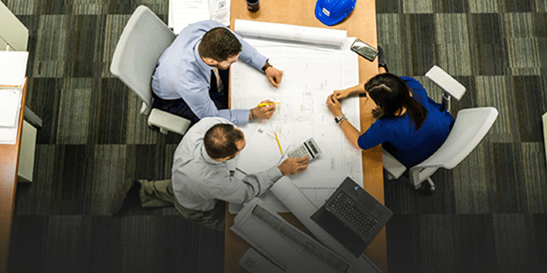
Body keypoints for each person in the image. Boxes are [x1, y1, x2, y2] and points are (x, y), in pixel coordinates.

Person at [110, 117, 309, 231]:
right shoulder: (213, 181)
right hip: (195, 204)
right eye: (241, 149)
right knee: (232, 223)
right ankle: (141, 194)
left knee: (177, 188)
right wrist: (281, 170)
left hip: (182, 177)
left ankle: (140, 190)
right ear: (224, 159)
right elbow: (246, 192)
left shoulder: (208, 125)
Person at [325, 58, 454, 174]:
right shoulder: (412, 85)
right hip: (446, 128)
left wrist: (338, 115)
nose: (367, 99)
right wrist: (348, 91)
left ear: (383, 107)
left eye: (369, 99)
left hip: (421, 155)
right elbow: (382, 86)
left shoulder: (386, 126)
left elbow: (359, 143)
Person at [151, 20, 284, 125]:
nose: (235, 62)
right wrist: (253, 114)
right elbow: (211, 116)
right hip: (173, 100)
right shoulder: (189, 82)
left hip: (178, 67)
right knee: (221, 115)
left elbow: (239, 43)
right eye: (231, 62)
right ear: (211, 61)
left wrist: (265, 66)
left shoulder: (209, 29)